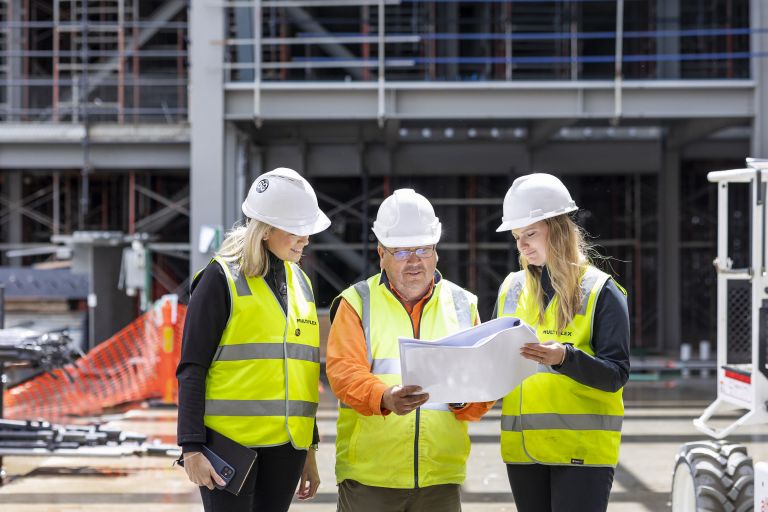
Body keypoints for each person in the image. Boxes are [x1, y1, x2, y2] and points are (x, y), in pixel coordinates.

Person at [326, 188, 495, 512]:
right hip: (370, 480)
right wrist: (384, 397)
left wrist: (462, 397)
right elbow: (344, 373)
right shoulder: (357, 303)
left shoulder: (462, 305)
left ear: (436, 252)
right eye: (402, 251)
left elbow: (482, 386)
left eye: (423, 249)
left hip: (440, 480)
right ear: (381, 254)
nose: (415, 261)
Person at [176, 167, 330, 512]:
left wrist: (309, 448)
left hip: (287, 449)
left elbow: (302, 372)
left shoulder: (300, 282)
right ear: (266, 230)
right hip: (229, 447)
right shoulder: (220, 278)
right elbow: (192, 368)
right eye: (296, 231)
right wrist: (191, 447)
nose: (305, 239)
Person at [494, 173, 630, 512]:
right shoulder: (511, 289)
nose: (521, 244)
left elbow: (615, 374)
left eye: (530, 233)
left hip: (581, 451)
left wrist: (565, 359)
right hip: (524, 451)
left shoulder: (602, 291)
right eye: (516, 236)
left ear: (557, 228)